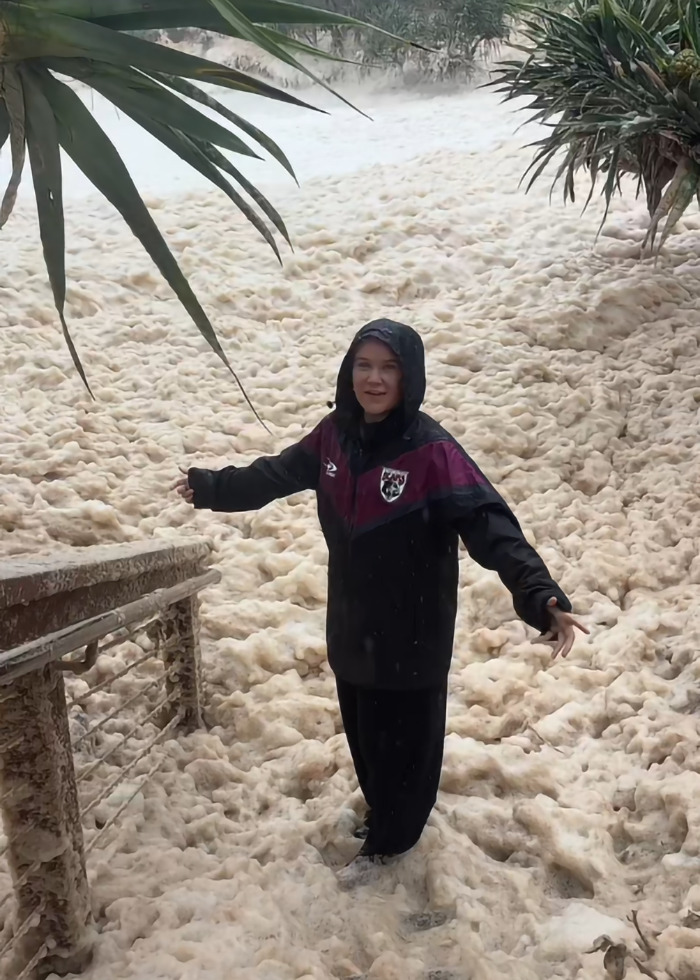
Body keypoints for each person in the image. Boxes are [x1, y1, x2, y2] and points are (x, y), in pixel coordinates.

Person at [174, 319, 587, 885]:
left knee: (409, 746)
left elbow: (491, 526)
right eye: (364, 365)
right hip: (352, 621)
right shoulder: (333, 436)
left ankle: (395, 845)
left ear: (408, 376)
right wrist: (211, 487)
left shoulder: (433, 451)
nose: (374, 378)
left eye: (388, 368)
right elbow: (274, 474)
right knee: (367, 733)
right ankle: (383, 816)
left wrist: (541, 596)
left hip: (414, 628)